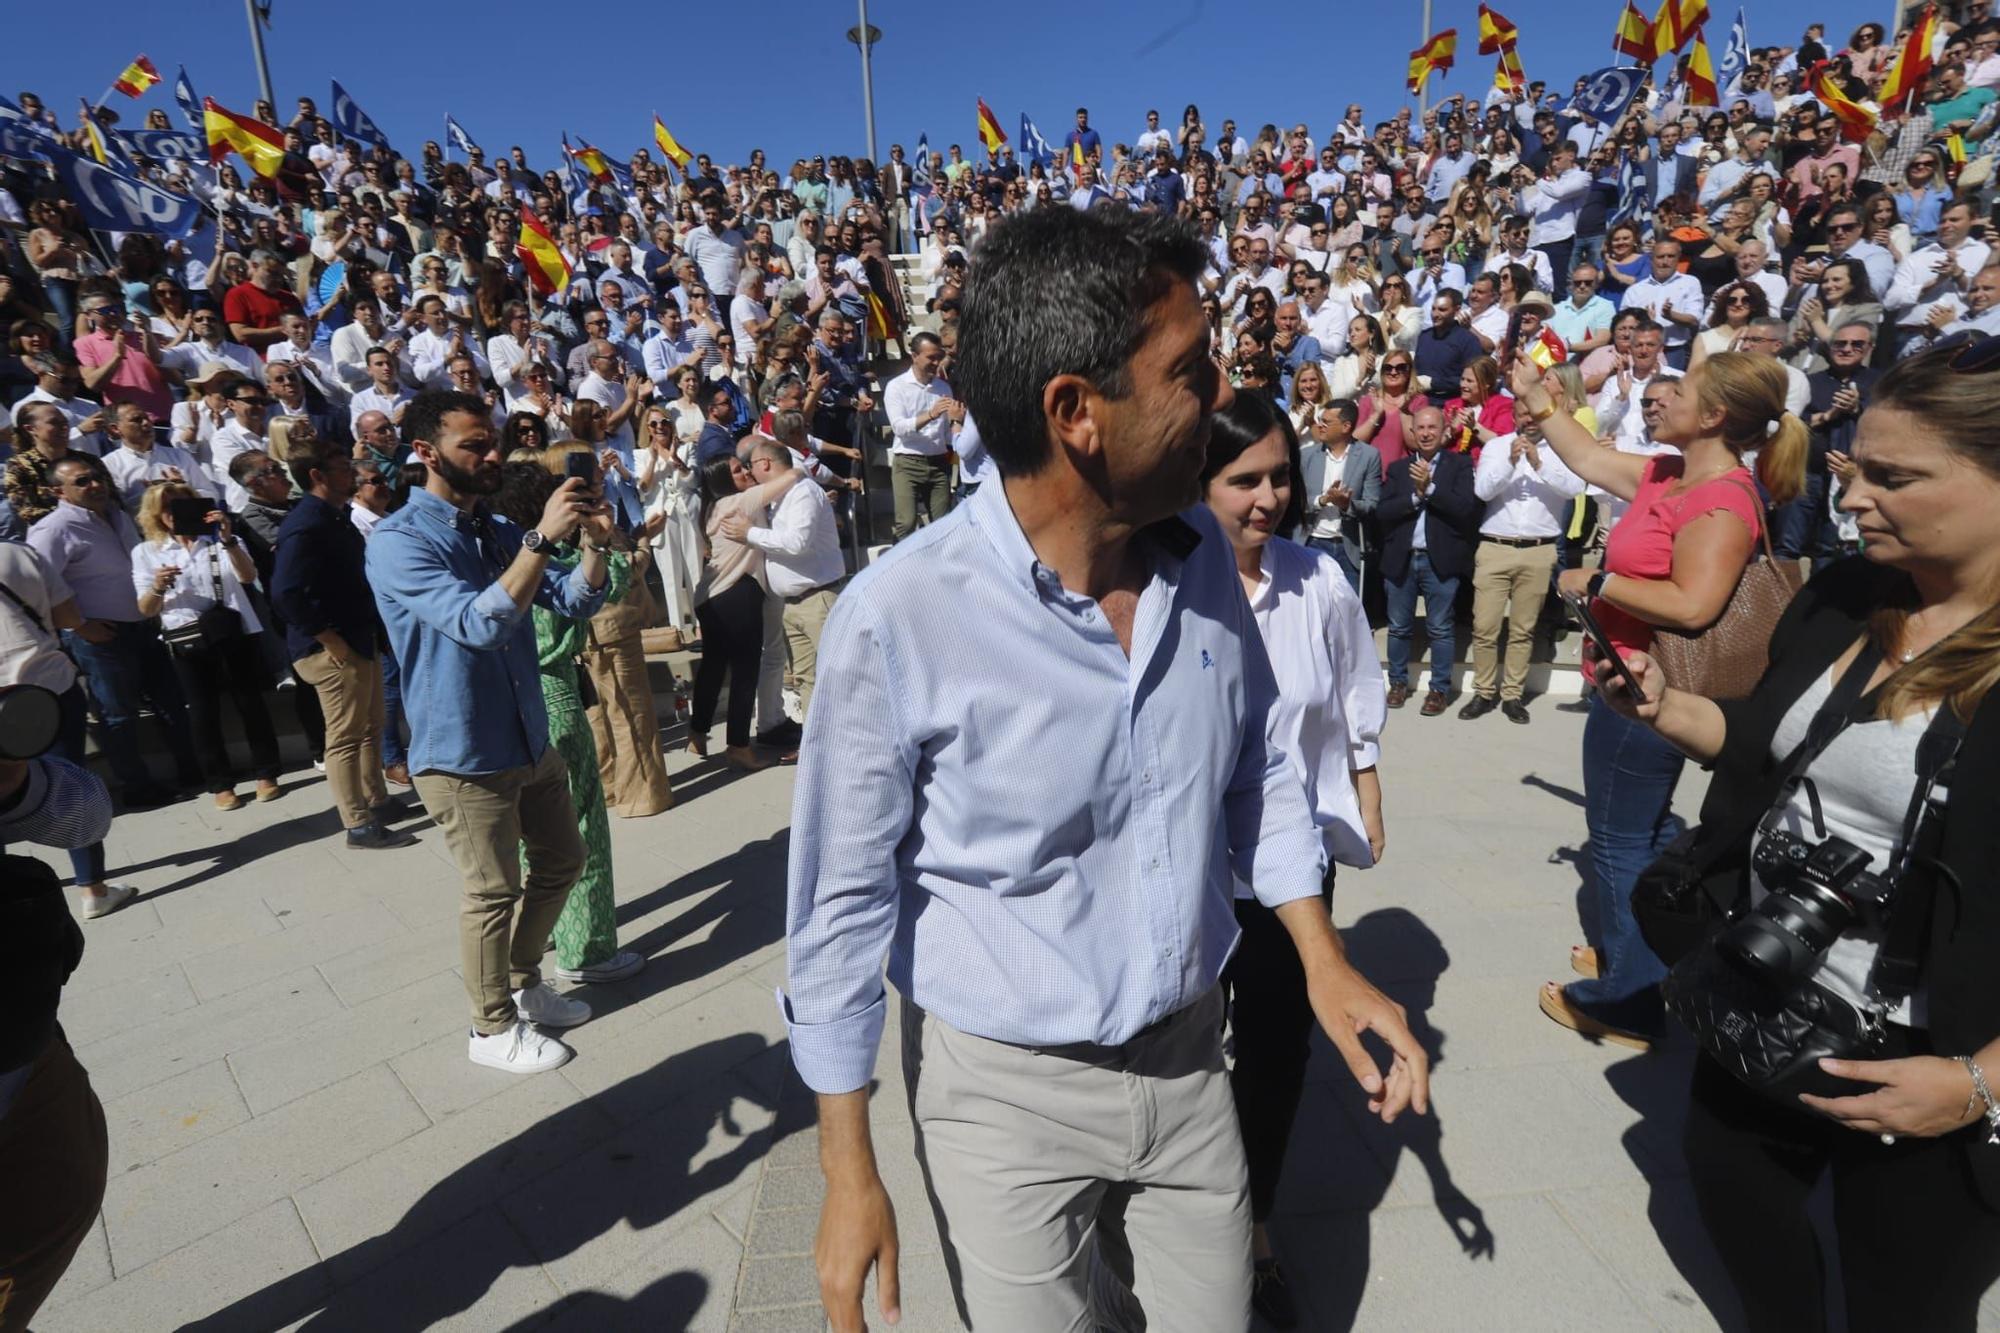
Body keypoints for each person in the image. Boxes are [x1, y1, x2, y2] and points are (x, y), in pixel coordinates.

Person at [786, 206, 1425, 1333]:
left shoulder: (1204, 569)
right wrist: (849, 1171)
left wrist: (1318, 957)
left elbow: (1257, 773)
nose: (1221, 393)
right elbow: (838, 911)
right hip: (1002, 1101)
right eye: (1187, 369)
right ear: (1074, 413)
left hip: (1189, 1066)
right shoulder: (898, 620)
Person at [1587, 341, 2000, 1332]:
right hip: (1758, 1000)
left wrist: (1975, 1082)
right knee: (1747, 1239)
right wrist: (1661, 707)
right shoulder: (1840, 598)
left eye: (1892, 478)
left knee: (1907, 1304)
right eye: (1852, 470)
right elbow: (1764, 750)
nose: (1851, 499)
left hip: (1927, 1074)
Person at [1508, 351, 1806, 1047]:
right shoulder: (1667, 472)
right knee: (1636, 831)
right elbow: (1585, 456)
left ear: (1714, 417)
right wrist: (1537, 396)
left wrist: (1599, 581)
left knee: (1617, 840)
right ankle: (1635, 949)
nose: (1661, 395)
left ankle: (1628, 999)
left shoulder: (1723, 497)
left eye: (1682, 390)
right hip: (1620, 677)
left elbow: (1694, 605)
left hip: (1650, 690)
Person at [1198, 392, 1388, 1327]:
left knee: (1276, 1051)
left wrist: (1366, 781)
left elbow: (1356, 686)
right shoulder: (1164, 588)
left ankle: (1256, 1221)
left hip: (1294, 864)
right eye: (1244, 480)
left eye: (1280, 475)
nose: (1268, 496)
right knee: (1186, 1051)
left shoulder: (1318, 579)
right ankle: (1184, 1221)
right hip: (1190, 870)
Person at [365, 390, 611, 1075]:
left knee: (563, 858)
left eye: (491, 440)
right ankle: (490, 1026)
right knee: (492, 891)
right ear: (425, 452)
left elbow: (573, 598)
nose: (492, 454)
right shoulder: (398, 541)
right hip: (463, 750)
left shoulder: (496, 527)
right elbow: (477, 623)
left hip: (529, 735)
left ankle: (526, 981)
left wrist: (593, 546)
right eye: (474, 445)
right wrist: (539, 540)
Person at [490, 455, 647, 984]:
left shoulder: (495, 551)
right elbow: (617, 583)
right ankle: (589, 950)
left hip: (506, 697)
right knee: (580, 828)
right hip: (553, 691)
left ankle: (546, 926)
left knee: (526, 831)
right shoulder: (552, 554)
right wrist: (600, 534)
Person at [27, 456, 202, 807]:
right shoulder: (52, 529)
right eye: (81, 481)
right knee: (117, 715)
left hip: (143, 626)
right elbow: (39, 587)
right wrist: (79, 626)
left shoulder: (119, 515)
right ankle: (137, 788)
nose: (94, 485)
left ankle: (193, 773)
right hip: (99, 637)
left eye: (96, 477)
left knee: (172, 702)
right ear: (58, 491)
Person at [270, 437, 412, 851]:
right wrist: (327, 638)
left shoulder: (333, 517)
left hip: (357, 638)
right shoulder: (306, 523)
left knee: (371, 727)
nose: (352, 474)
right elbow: (285, 593)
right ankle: (357, 822)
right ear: (317, 476)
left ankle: (376, 800)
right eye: (342, 468)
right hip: (332, 648)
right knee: (345, 738)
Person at [0, 540, 134, 917]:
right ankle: (92, 889)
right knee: (70, 784)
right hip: (44, 691)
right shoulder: (16, 554)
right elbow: (69, 615)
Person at [1461, 409, 1584, 724]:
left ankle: (1512, 695)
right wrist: (1511, 462)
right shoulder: (1496, 447)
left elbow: (1573, 488)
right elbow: (1482, 491)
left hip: (1538, 550)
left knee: (1523, 629)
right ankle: (1484, 691)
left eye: (1534, 415)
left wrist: (1539, 464)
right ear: (1515, 417)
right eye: (1523, 414)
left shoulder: (1560, 449)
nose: (1529, 420)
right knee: (1484, 627)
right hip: (1495, 547)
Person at [717, 433, 845, 724]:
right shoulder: (779, 496)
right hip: (793, 604)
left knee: (839, 676)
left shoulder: (803, 492)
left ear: (764, 462)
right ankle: (817, 750)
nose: (748, 472)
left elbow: (797, 542)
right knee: (807, 680)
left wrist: (749, 534)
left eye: (749, 465)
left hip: (818, 600)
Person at [686, 452, 802, 769]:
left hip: (710, 598)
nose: (747, 473)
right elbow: (791, 477)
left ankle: (697, 734)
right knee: (745, 673)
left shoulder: (712, 508)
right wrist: (794, 463)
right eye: (738, 471)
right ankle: (738, 746)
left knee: (713, 668)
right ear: (725, 480)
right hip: (737, 596)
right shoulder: (740, 502)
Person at [1378, 405, 1480, 714]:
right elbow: (1383, 512)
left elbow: (1465, 509)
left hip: (1441, 559)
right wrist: (1414, 497)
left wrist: (1430, 488)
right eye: (1420, 428)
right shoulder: (1398, 468)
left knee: (1440, 628)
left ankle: (1439, 690)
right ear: (1413, 432)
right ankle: (1397, 683)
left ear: (1444, 430)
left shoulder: (1459, 465)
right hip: (1403, 558)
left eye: (1431, 428)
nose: (1425, 433)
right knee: (1398, 627)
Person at [882, 332, 962, 542]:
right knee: (906, 523)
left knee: (943, 523)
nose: (936, 362)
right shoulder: (896, 387)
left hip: (938, 463)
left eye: (938, 357)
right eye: (930, 358)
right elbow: (899, 427)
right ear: (914, 356)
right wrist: (930, 415)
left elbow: (946, 430)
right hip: (908, 462)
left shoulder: (943, 388)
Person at [1296, 400, 1381, 590]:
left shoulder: (1369, 456)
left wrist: (1346, 505)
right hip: (1313, 543)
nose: (1320, 426)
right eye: (1320, 420)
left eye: (1326, 422)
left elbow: (1372, 503)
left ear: (1346, 426)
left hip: (1348, 545)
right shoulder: (1307, 456)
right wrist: (1322, 500)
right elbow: (1296, 502)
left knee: (1347, 613)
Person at [100, 403, 212, 510]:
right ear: (115, 429)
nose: (146, 423)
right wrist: (153, 496)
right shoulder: (109, 464)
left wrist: (183, 489)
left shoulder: (179, 456)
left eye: (147, 418)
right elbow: (113, 509)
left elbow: (210, 494)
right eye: (136, 420)